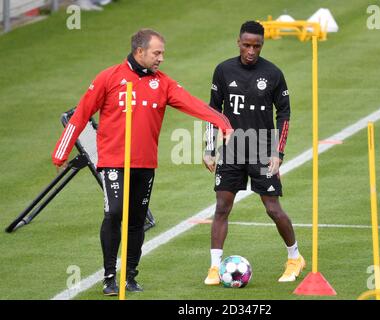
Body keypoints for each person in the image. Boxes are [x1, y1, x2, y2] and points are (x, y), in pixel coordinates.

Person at [52, 29, 233, 296]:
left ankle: (130, 276)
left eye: (162, 53)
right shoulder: (109, 77)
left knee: (137, 220)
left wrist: (222, 122)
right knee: (114, 213)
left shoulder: (163, 83)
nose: (161, 58)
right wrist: (61, 150)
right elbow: (81, 114)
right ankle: (109, 276)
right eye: (156, 53)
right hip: (113, 161)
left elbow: (192, 103)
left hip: (145, 164)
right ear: (140, 52)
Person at [203, 21, 305, 285]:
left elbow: (284, 113)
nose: (251, 50)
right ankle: (215, 267)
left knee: (273, 208)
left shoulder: (273, 73)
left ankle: (295, 257)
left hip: (262, 148)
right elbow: (212, 110)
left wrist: (278, 153)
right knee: (222, 207)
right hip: (232, 148)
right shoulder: (223, 70)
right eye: (246, 45)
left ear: (262, 45)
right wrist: (210, 148)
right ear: (238, 42)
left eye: (256, 46)